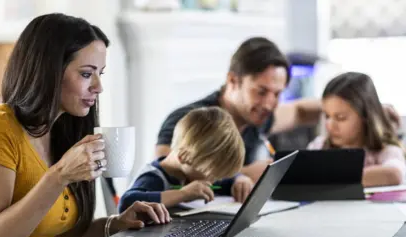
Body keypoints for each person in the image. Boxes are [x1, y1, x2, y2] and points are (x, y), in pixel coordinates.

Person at [0, 13, 170, 237]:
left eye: (100, 73)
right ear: (48, 71)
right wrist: (59, 176)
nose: (99, 86)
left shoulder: (61, 131)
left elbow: (53, 229)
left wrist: (116, 223)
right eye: (86, 74)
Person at [155, 37, 401, 183]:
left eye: (278, 93)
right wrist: (246, 174)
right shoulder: (187, 121)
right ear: (233, 81)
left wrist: (368, 107)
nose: (270, 103)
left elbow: (303, 111)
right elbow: (168, 178)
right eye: (261, 91)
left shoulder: (258, 115)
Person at [119, 107, 249, 213]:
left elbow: (223, 182)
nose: (214, 181)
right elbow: (127, 202)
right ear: (184, 157)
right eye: (212, 176)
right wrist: (182, 194)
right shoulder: (153, 177)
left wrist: (239, 179)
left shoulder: (191, 172)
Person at [307, 72, 405, 187]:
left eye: (340, 118)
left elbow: (394, 174)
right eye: (327, 116)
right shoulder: (319, 146)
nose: (330, 125)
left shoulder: (385, 152)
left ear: (366, 116)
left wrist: (329, 177)